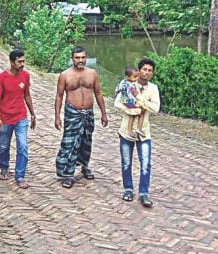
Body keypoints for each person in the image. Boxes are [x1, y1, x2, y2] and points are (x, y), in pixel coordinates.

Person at [53, 46, 109, 189]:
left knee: (86, 142)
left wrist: (104, 113)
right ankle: (68, 174)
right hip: (72, 113)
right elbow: (59, 96)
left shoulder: (92, 74)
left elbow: (98, 93)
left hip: (88, 113)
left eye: (83, 57)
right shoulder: (65, 75)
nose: (80, 60)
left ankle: (84, 166)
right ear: (72, 58)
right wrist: (57, 116)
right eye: (77, 58)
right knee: (70, 144)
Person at [113, 57, 160, 208]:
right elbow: (117, 103)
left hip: (144, 132)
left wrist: (141, 102)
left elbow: (156, 108)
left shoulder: (153, 89)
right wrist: (131, 110)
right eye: (144, 69)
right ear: (139, 71)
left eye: (150, 70)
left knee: (145, 163)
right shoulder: (127, 85)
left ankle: (143, 193)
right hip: (126, 130)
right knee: (126, 162)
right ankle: (128, 189)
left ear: (152, 73)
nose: (146, 73)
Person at [0, 49, 36, 189]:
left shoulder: (25, 76)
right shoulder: (2, 78)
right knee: (3, 146)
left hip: (20, 117)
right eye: (20, 61)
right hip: (5, 118)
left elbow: (27, 95)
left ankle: (20, 175)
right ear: (12, 62)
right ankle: (4, 168)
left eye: (23, 61)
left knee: (23, 146)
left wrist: (33, 113)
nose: (22, 64)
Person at [115, 66, 146, 139]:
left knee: (132, 115)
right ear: (128, 77)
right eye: (135, 77)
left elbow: (117, 89)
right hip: (128, 101)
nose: (136, 78)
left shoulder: (123, 82)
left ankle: (129, 131)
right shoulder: (130, 84)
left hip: (124, 100)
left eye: (137, 76)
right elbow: (134, 93)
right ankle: (139, 128)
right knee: (142, 110)